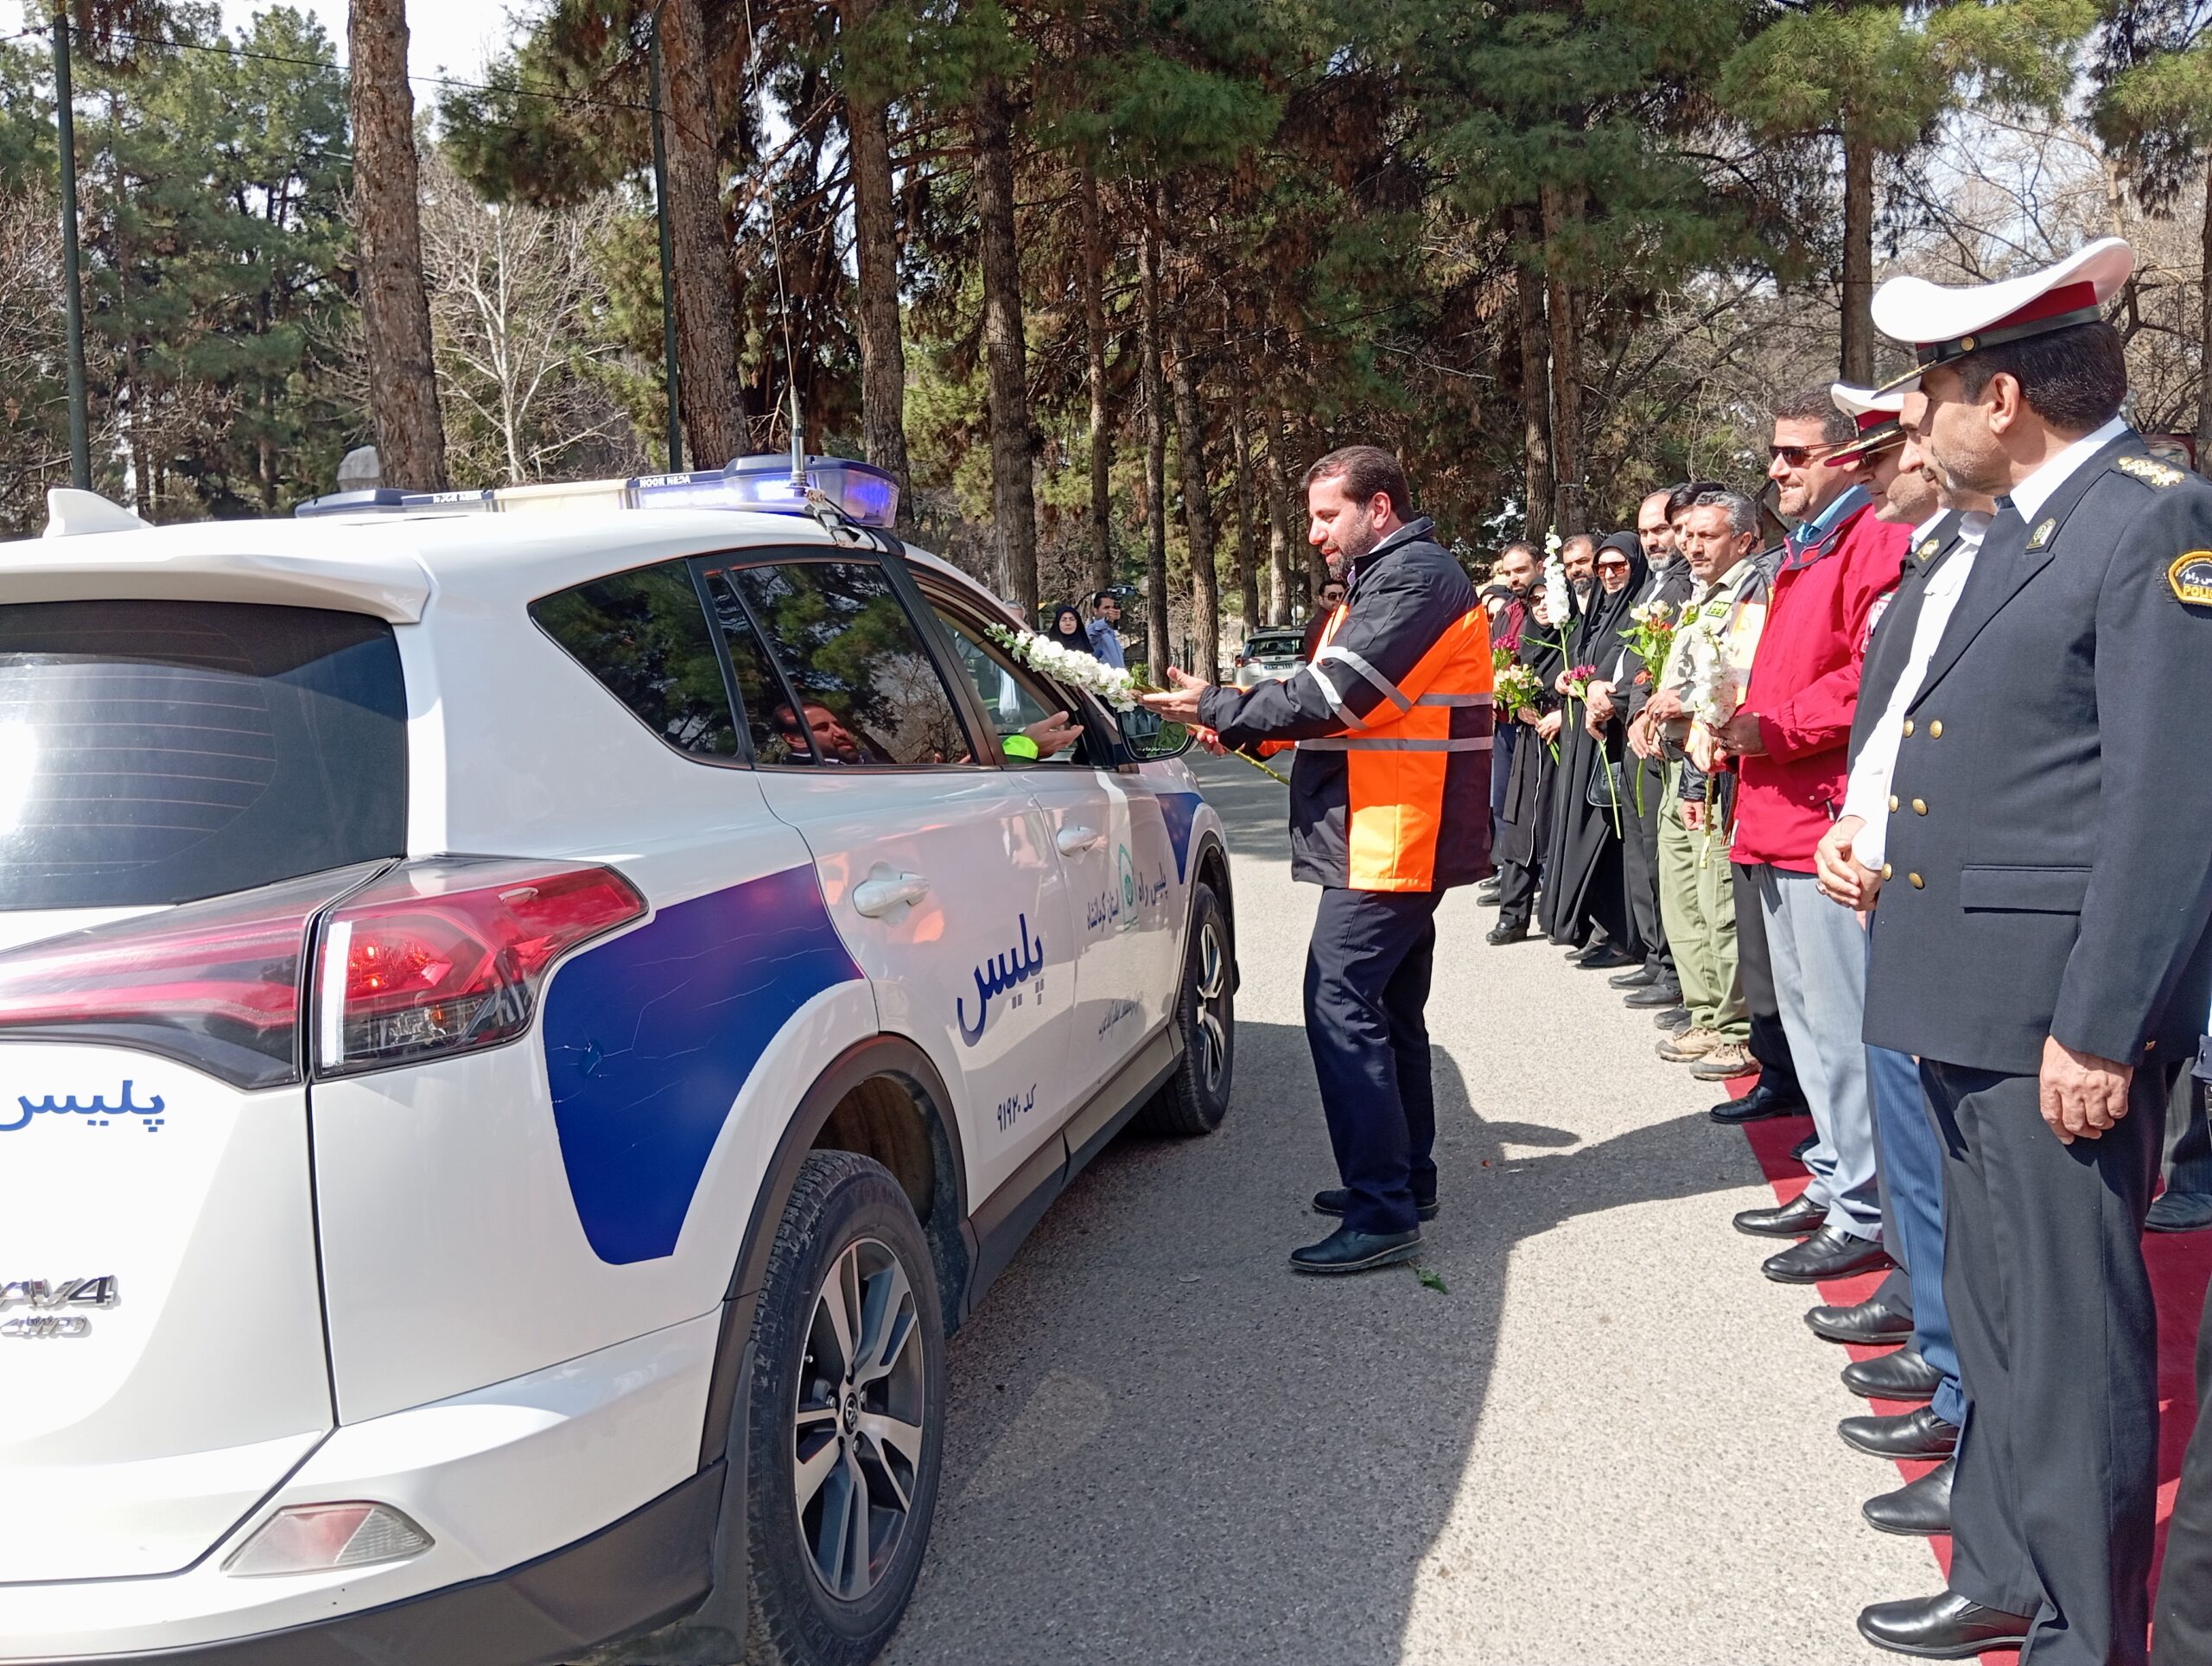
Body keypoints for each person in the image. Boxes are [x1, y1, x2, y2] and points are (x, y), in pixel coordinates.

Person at [1842, 237, 2212, 1666]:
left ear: (2000, 395)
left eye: (1930, 387)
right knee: (2005, 1333)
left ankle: (2085, 1634)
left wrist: (2101, 1024)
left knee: (2069, 1352)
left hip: (2054, 1013)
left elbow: (2168, 803)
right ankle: (2017, 1575)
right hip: (1973, 994)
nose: (1915, 417)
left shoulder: (2150, 519)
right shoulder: (2022, 527)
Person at [1139, 444, 1494, 1275]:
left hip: (1394, 832)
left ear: (1380, 508)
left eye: (1326, 515)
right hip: (1386, 828)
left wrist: (1223, 704)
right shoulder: (1391, 579)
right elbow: (1329, 695)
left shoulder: (1415, 579)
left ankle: (1382, 1211)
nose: (1313, 534)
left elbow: (1340, 698)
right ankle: (1406, 1179)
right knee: (1390, 1008)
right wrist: (1236, 720)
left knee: (1340, 1003)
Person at [1812, 383, 1996, 1532]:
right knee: (1924, 1172)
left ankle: (1971, 1399)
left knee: (1965, 1190)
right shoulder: (1936, 557)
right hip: (1901, 898)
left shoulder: (2013, 549)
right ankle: (1944, 1363)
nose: (1892, 456)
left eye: (1909, 432)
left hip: (1973, 924)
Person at [1717, 384, 1908, 1288]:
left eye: (1794, 453)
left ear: (1844, 453)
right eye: (1774, 452)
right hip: (1774, 812)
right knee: (1805, 1022)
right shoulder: (1808, 544)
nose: (1776, 468)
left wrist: (1776, 725)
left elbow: (1875, 678)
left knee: (1840, 1030)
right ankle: (1835, 1176)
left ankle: (1864, 1204)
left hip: (1817, 815)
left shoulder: (1871, 535)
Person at [1643, 489, 1767, 1080]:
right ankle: (1705, 1015)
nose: (1691, 545)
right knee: (1683, 897)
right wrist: (1652, 711)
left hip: (1715, 766)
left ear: (1743, 541)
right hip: (1678, 762)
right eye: (1687, 535)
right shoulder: (1697, 597)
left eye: (1707, 535)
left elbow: (1737, 679)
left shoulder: (1750, 592)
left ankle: (1737, 1027)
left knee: (1718, 901)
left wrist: (1682, 702)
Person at [1541, 531, 1645, 964]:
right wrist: (1568, 679)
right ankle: (1599, 928)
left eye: (1616, 566)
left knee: (1610, 837)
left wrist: (1603, 690)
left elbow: (1627, 667)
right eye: (1602, 568)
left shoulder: (1637, 608)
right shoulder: (1598, 610)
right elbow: (1588, 660)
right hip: (1584, 736)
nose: (1606, 575)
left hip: (1615, 739)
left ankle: (1623, 937)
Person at [1614, 488, 1696, 1008]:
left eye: (1659, 530)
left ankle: (1673, 969)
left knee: (1664, 856)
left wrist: (1641, 706)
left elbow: (1667, 663)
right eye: (1644, 532)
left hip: (1664, 732)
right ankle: (1655, 957)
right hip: (1635, 726)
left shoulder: (1685, 584)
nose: (1652, 541)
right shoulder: (1649, 587)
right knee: (1643, 851)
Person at [1490, 582, 1572, 945]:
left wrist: (1563, 715)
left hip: (1562, 744)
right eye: (1534, 601)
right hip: (1528, 742)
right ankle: (1513, 916)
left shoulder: (1572, 641)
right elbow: (1513, 681)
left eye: (1548, 599)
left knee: (1556, 827)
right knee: (1520, 826)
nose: (1541, 607)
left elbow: (1584, 682)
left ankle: (1558, 916)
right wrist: (1517, 704)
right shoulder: (1527, 640)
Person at [1300, 572, 1348, 664]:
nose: (1338, 599)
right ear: (1321, 600)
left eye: (1342, 595)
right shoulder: (1318, 625)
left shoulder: (1342, 618)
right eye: (1332, 596)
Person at [1085, 591, 1128, 668]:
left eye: (1113, 607)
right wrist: (1106, 620)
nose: (1110, 611)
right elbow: (1091, 634)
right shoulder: (1094, 630)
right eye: (1106, 608)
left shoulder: (1112, 633)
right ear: (1095, 611)